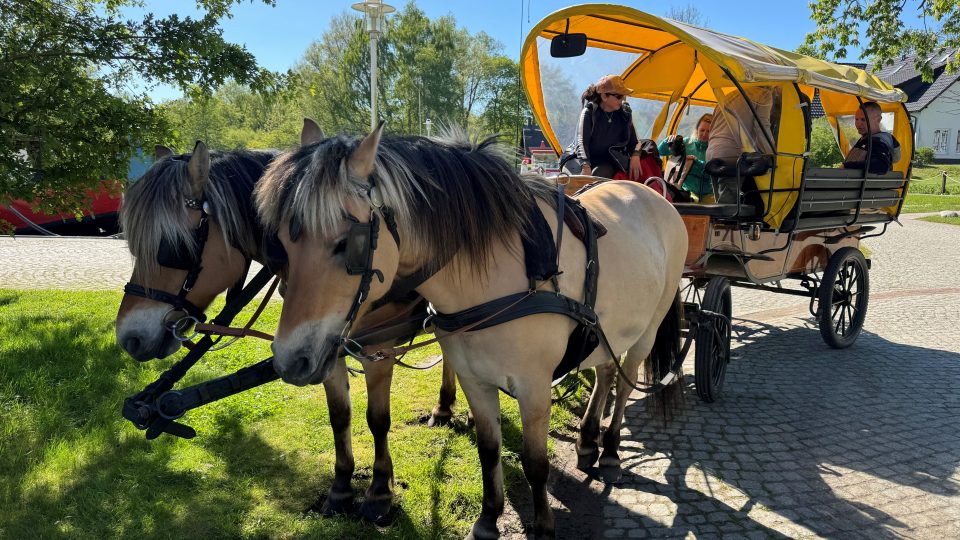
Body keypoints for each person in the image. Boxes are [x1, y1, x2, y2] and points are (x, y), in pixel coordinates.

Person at [706, 86, 777, 204]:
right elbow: (762, 127)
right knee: (729, 206)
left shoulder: (730, 95)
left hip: (712, 153)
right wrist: (772, 155)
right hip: (731, 154)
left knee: (720, 205)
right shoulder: (764, 94)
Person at [573, 74, 641, 179]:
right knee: (570, 180)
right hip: (580, 159)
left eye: (624, 95)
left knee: (601, 174)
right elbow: (581, 142)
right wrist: (585, 166)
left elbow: (634, 141)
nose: (623, 99)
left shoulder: (625, 114)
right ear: (604, 96)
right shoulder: (589, 112)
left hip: (604, 161)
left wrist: (635, 155)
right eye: (619, 96)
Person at [657, 113, 714, 203]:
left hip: (708, 192)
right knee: (689, 204)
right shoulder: (686, 143)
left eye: (708, 131)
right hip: (688, 189)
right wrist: (668, 140)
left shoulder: (714, 149)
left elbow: (712, 172)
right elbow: (660, 151)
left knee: (711, 209)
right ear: (697, 129)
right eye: (702, 130)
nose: (704, 134)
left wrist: (695, 163)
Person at [842, 101, 901, 174]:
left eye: (863, 119)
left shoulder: (878, 142)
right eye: (856, 119)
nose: (858, 123)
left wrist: (846, 166)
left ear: (878, 120)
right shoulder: (865, 139)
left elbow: (881, 166)